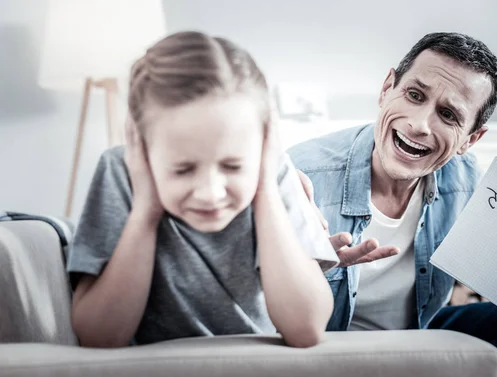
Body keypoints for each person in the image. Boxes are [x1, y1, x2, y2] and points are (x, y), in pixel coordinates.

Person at [288, 32, 497, 377]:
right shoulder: (300, 174)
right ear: (386, 89)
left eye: (448, 114)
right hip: (326, 350)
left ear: (470, 141)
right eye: (414, 95)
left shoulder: (470, 184)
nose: (419, 124)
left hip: (416, 337)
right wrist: (299, 271)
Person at [67, 31, 335, 349]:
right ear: (142, 148)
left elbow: (306, 329)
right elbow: (100, 335)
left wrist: (265, 190)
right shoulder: (121, 171)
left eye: (233, 167)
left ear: (265, 143)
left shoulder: (273, 173)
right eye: (183, 169)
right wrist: (145, 211)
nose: (210, 193)